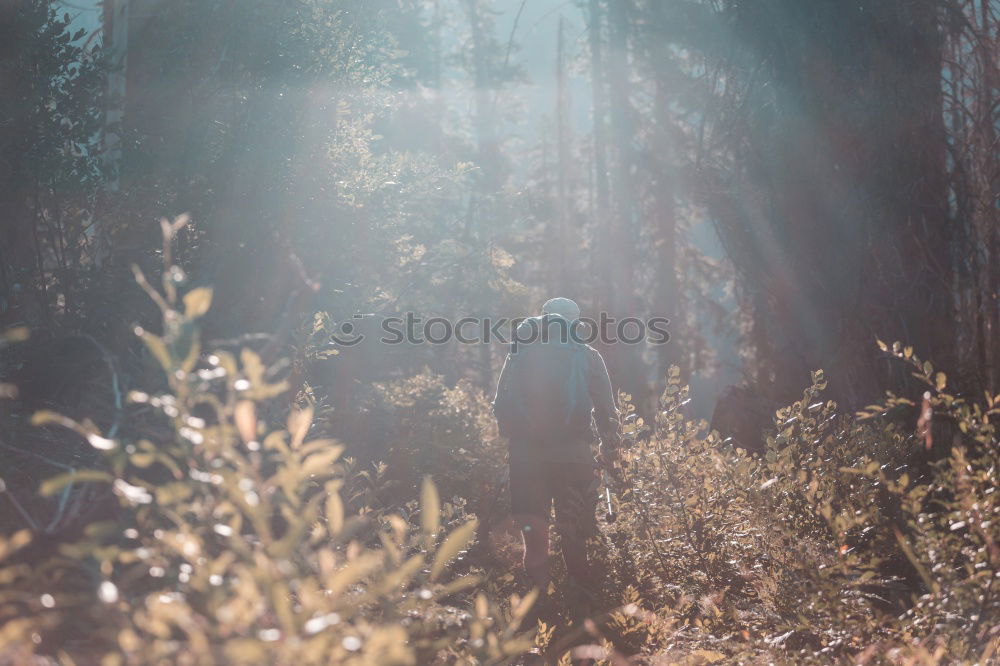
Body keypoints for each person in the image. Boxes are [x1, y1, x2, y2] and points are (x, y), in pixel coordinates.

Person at [492, 297, 620, 598]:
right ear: (575, 323)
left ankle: (539, 600)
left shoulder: (519, 353)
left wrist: (517, 437)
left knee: (533, 533)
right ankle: (583, 596)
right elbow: (607, 410)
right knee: (575, 527)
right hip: (573, 454)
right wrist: (610, 449)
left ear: (543, 319)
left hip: (525, 455)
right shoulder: (586, 355)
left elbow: (500, 402)